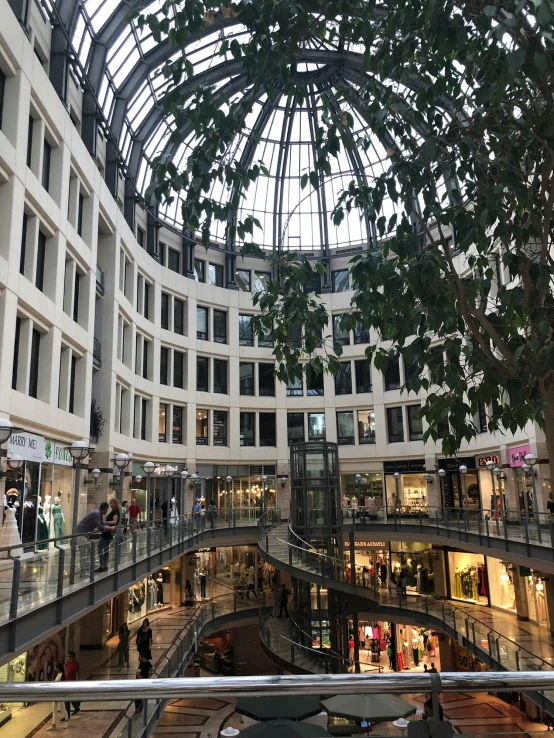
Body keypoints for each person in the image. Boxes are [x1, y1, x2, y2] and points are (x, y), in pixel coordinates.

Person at [76, 502, 116, 577]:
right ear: (104, 508)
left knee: (89, 550)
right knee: (83, 552)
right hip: (81, 533)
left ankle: (87, 568)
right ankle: (84, 571)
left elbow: (102, 524)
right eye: (107, 509)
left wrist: (110, 527)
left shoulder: (99, 514)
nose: (107, 511)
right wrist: (110, 528)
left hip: (85, 534)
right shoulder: (96, 513)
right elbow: (100, 527)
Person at [97, 498, 120, 572]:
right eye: (110, 503)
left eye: (113, 503)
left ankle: (103, 565)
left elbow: (114, 522)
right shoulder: (113, 511)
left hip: (107, 532)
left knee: (100, 548)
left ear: (116, 503)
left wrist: (105, 522)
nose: (111, 504)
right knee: (105, 549)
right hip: (108, 532)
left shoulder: (115, 512)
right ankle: (104, 565)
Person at [48, 662, 70, 731]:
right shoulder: (58, 674)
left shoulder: (61, 675)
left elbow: (60, 686)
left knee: (62, 708)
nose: (54, 668)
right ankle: (53, 725)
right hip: (56, 694)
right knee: (55, 710)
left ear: (58, 668)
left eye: (55, 666)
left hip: (59, 695)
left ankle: (67, 721)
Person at [134, 652, 153, 716]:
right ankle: (140, 708)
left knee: (137, 696)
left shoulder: (141, 664)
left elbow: (138, 671)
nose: (139, 658)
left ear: (142, 657)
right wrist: (148, 676)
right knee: (142, 694)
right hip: (146, 681)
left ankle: (138, 709)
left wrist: (139, 677)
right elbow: (151, 670)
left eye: (140, 656)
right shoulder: (148, 663)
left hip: (140, 682)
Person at [64, 651, 81, 716]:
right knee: (70, 697)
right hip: (67, 682)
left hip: (72, 683)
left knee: (68, 698)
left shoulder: (76, 664)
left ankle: (67, 714)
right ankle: (76, 708)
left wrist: (76, 683)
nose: (67, 658)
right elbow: (65, 668)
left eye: (68, 656)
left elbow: (77, 674)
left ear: (71, 657)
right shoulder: (68, 663)